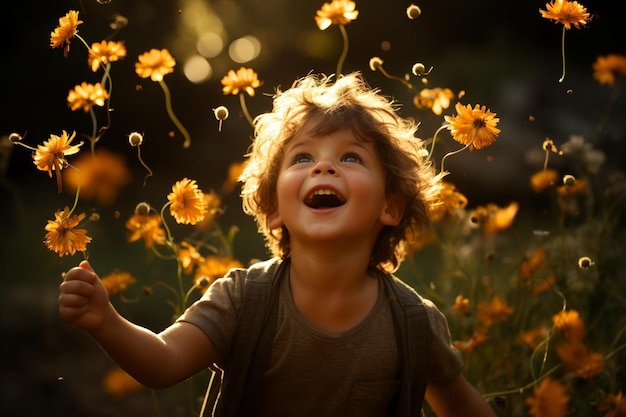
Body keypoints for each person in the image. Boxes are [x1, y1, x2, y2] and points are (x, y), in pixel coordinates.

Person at [59, 72, 497, 417]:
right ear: (273, 209)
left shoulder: (413, 324)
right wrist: (106, 321)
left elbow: (463, 406)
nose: (323, 166)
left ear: (391, 207)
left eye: (351, 157)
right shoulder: (241, 300)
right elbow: (165, 362)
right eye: (303, 157)